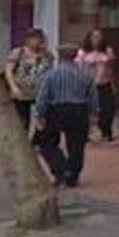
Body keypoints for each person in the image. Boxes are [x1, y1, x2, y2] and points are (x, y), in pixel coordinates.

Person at [33, 44, 99, 189]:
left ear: (59, 56)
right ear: (75, 56)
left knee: (47, 142)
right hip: (79, 110)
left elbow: (43, 95)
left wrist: (39, 113)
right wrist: (94, 114)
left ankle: (60, 169)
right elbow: (93, 96)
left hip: (56, 109)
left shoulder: (51, 74)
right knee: (77, 144)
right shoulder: (85, 75)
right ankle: (73, 175)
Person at [4, 28, 54, 129]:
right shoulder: (18, 52)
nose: (39, 41)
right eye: (35, 38)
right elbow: (8, 71)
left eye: (40, 38)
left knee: (44, 120)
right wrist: (13, 87)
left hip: (40, 92)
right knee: (22, 121)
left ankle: (39, 136)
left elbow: (49, 72)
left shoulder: (47, 55)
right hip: (21, 92)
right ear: (28, 40)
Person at [79, 28, 119, 144]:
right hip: (88, 85)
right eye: (94, 37)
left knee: (108, 109)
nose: (97, 39)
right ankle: (85, 134)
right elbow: (80, 69)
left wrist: (112, 83)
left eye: (99, 36)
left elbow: (110, 69)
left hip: (104, 83)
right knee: (86, 110)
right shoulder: (83, 53)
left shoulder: (107, 51)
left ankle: (106, 133)